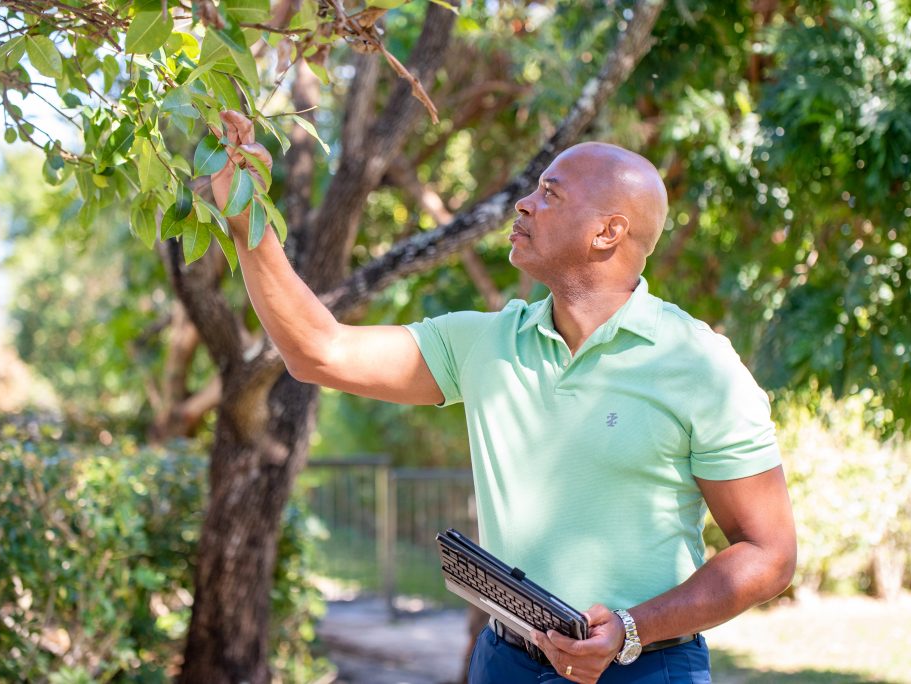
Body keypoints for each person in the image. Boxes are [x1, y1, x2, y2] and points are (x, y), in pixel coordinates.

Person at [210, 110, 797, 684]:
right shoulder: (485, 343)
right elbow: (318, 351)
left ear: (607, 232)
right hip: (504, 662)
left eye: (551, 193)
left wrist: (629, 628)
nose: (523, 203)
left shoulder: (698, 365)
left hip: (645, 668)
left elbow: (769, 553)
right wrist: (246, 219)